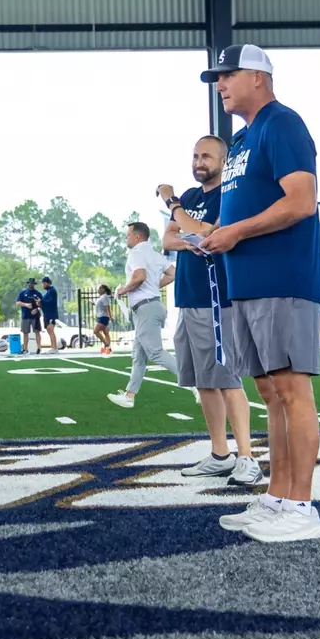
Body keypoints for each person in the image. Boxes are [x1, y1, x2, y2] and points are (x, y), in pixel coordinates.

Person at [200, 43, 320, 542]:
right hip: (247, 284)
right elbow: (246, 208)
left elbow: (302, 202)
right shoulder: (244, 139)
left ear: (258, 77)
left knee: (292, 391)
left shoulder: (282, 124)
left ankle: (302, 507)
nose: (220, 84)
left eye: (227, 75)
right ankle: (276, 497)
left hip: (282, 280)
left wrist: (235, 232)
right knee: (271, 395)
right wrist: (218, 234)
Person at [160, 135, 262, 487]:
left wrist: (173, 204)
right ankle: (221, 455)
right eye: (195, 156)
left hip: (217, 300)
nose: (198, 162)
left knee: (227, 379)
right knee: (203, 381)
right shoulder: (191, 197)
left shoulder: (229, 194)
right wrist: (189, 234)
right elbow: (169, 239)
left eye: (206, 156)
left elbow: (205, 231)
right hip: (188, 298)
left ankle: (247, 457)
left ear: (223, 161)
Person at [107, 222, 177, 408]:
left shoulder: (136, 253)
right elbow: (172, 274)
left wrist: (123, 290)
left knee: (155, 352)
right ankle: (129, 396)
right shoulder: (155, 254)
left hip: (146, 308)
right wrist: (154, 287)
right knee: (138, 356)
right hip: (152, 306)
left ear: (137, 237)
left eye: (128, 234)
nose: (126, 237)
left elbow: (140, 276)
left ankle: (196, 384)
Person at [16, 278, 43, 354]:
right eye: (30, 283)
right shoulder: (23, 292)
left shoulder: (38, 293)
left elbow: (42, 304)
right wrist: (26, 305)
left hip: (35, 316)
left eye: (32, 283)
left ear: (34, 284)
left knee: (37, 332)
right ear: (28, 284)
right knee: (25, 333)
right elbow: (18, 302)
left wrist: (37, 308)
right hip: (26, 316)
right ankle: (25, 348)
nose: (31, 285)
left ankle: (39, 348)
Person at [39, 276, 61, 352]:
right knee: (49, 330)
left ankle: (54, 348)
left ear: (46, 283)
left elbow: (51, 302)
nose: (42, 285)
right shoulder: (47, 292)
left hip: (51, 314)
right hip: (46, 314)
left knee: (51, 329)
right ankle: (53, 347)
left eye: (43, 283)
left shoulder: (52, 291)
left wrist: (42, 301)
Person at [93, 284, 114, 353]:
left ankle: (106, 344)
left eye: (101, 288)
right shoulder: (101, 297)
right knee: (106, 333)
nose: (99, 289)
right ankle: (107, 348)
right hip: (100, 316)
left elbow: (107, 307)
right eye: (99, 288)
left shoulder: (104, 297)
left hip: (103, 317)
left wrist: (110, 316)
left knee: (96, 331)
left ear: (104, 290)